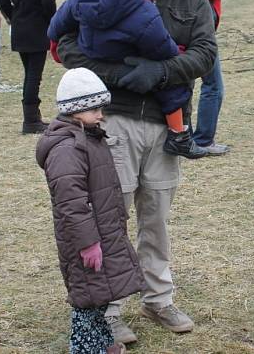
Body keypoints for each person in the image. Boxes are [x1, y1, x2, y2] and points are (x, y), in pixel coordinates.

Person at [56, 0, 216, 345]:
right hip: (114, 121)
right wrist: (111, 74)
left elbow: (205, 53)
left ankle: (159, 298)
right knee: (111, 216)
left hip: (165, 125)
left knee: (157, 216)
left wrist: (161, 75)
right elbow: (64, 42)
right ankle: (109, 309)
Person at [48, 0, 205, 159]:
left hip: (94, 50)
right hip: (127, 66)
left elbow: (58, 24)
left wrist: (53, 41)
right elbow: (160, 44)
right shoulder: (140, 8)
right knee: (174, 91)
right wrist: (170, 59)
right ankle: (179, 134)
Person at [36, 67, 144, 354]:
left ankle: (103, 344)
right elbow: (71, 202)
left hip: (101, 232)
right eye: (94, 108)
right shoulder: (67, 149)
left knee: (100, 293)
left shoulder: (88, 136)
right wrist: (88, 243)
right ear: (75, 110)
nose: (101, 115)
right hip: (85, 240)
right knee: (87, 297)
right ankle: (84, 348)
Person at [182, 0, 238, 156]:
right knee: (213, 86)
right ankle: (203, 140)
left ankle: (184, 138)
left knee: (184, 84)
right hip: (199, 28)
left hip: (183, 25)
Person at [0, 0, 57, 134]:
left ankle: (32, 118)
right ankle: (31, 121)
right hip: (38, 27)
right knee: (34, 76)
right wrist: (52, 22)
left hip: (20, 27)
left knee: (29, 74)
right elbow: (48, 1)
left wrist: (14, 17)